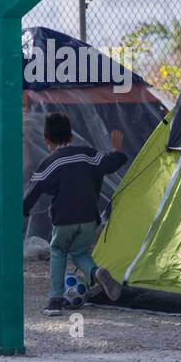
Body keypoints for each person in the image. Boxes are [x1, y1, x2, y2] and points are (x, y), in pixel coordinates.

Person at [23, 113, 127, 317]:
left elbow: (33, 192)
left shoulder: (49, 163)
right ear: (71, 137)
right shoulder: (88, 154)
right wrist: (117, 150)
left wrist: (22, 210)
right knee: (80, 253)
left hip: (64, 219)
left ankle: (55, 300)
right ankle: (97, 273)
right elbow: (111, 164)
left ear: (46, 140)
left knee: (58, 250)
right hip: (89, 217)